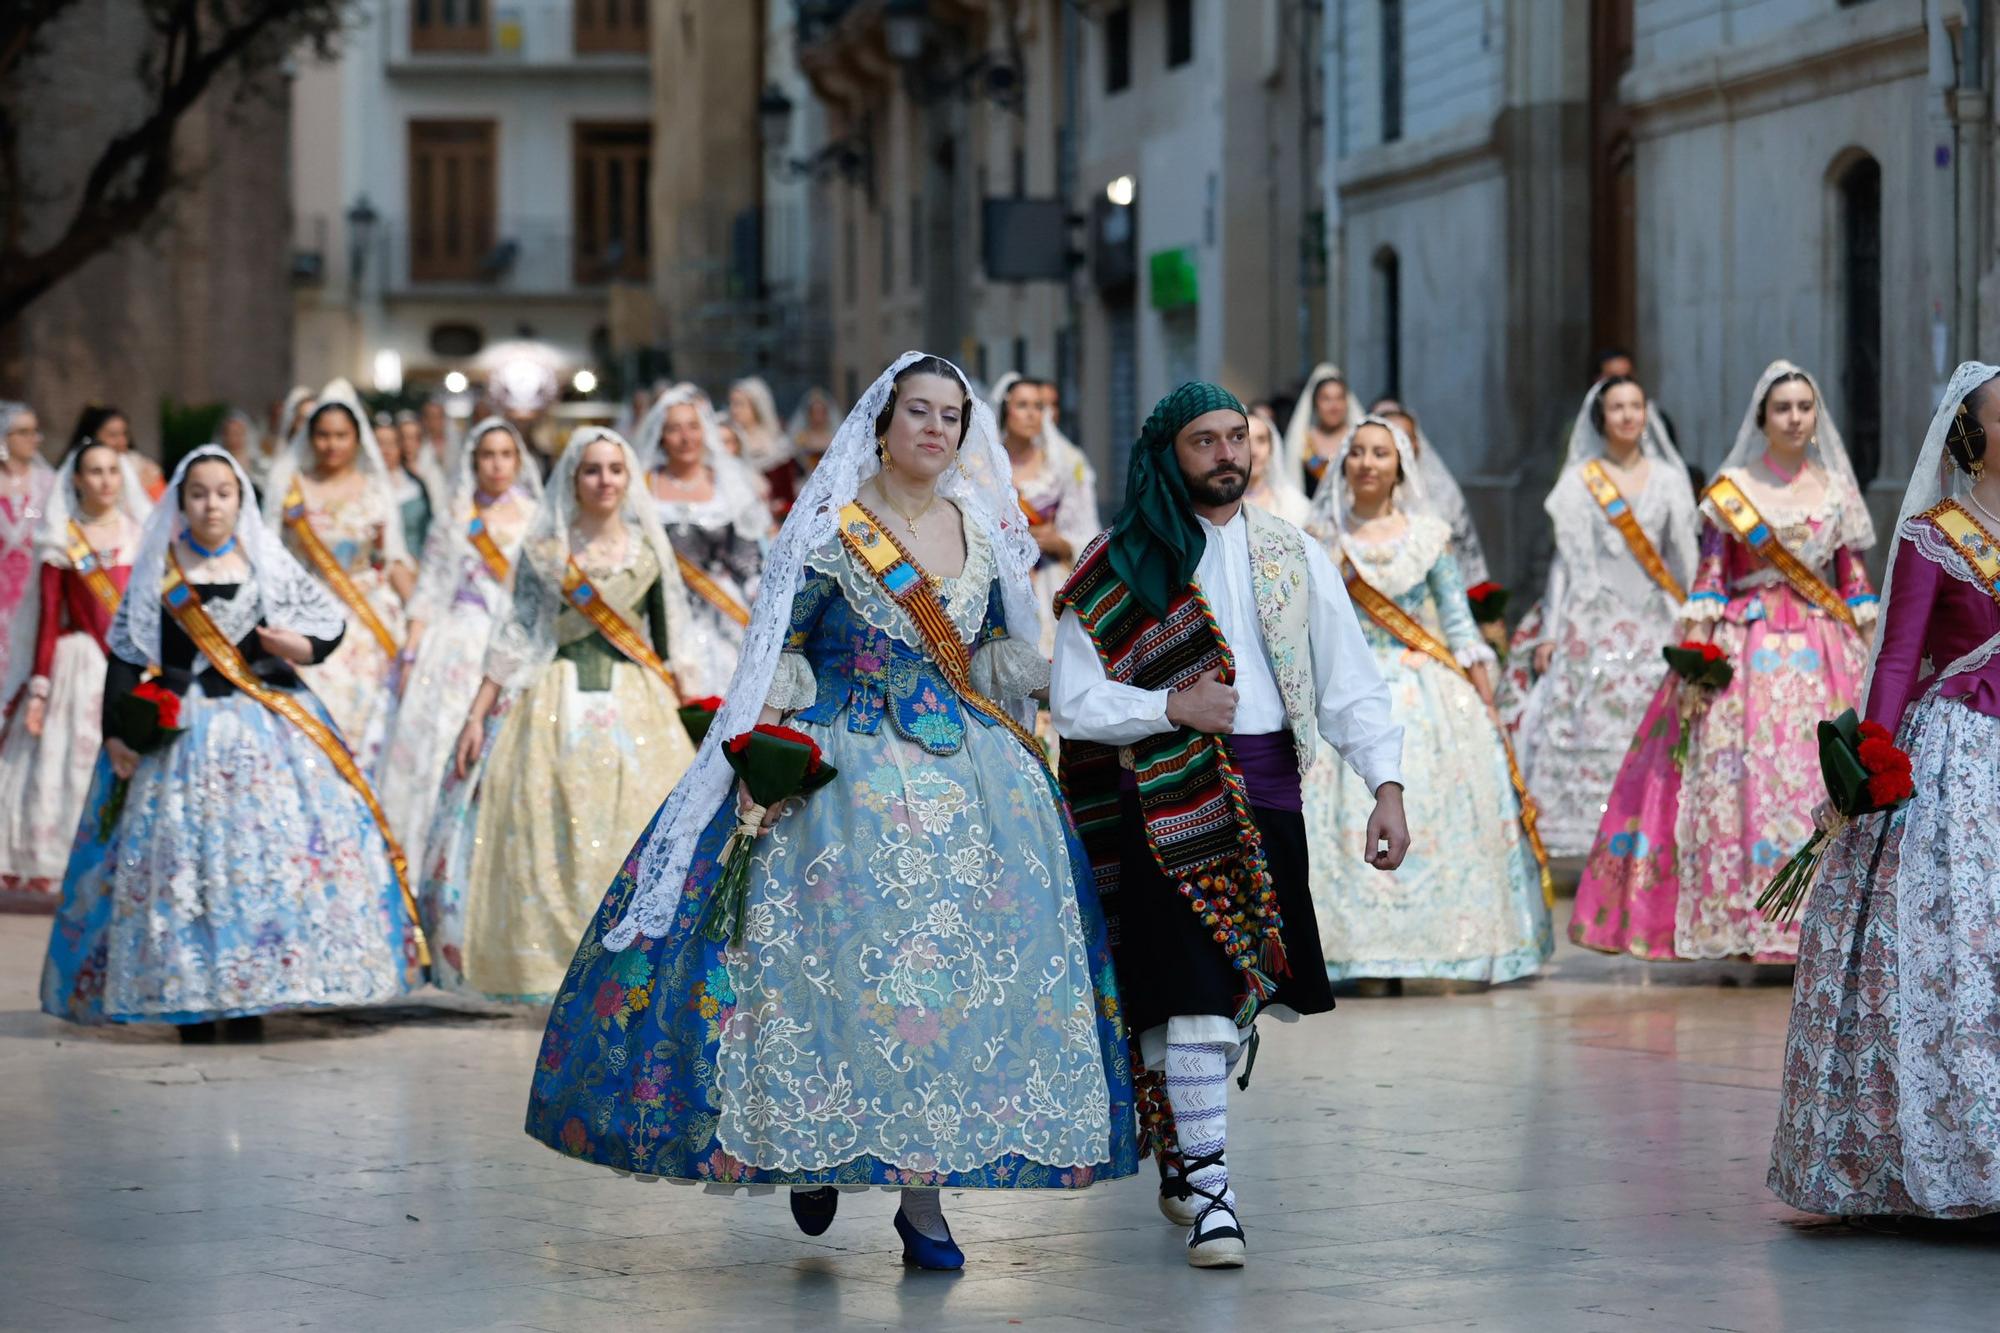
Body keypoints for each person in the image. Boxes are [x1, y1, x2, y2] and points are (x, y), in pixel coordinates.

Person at [523, 353, 1136, 1270]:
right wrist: (763, 756)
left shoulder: (984, 529)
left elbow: (1003, 649)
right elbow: (783, 644)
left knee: (949, 992)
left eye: (951, 417)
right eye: (918, 412)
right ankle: (816, 1144)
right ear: (882, 424)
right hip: (844, 771)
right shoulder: (831, 529)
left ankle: (923, 1203)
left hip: (970, 778)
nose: (935, 429)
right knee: (836, 975)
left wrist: (1075, 684)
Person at [1050, 381, 1407, 1267]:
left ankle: (1182, 1139)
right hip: (1166, 790)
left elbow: (1350, 680)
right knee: (1195, 992)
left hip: (1268, 787)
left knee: (1236, 993)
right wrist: (1171, 705)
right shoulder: (1118, 565)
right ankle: (1212, 1190)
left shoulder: (1295, 554)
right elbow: (1073, 702)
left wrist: (1386, 785)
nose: (1226, 454)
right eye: (1204, 440)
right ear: (1169, 454)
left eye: (1237, 437)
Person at [40, 446, 422, 1040]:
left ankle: (252, 997)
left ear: (241, 499)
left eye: (223, 493)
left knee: (259, 866)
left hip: (262, 731)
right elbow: (125, 655)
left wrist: (298, 647)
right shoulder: (159, 565)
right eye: (198, 493)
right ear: (180, 499)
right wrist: (118, 731)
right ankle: (189, 996)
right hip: (180, 738)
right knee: (182, 869)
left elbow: (328, 628)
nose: (211, 504)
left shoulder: (266, 562)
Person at [1769, 362, 2000, 1219]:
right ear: (1973, 435)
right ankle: (1947, 1152)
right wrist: (1864, 763)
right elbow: (1900, 656)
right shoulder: (1935, 534)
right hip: (1959, 765)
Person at [1573, 361, 1877, 962]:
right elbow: (1710, 579)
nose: (1794, 417)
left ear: (1817, 416)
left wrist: (1873, 645)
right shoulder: (1731, 491)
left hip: (1824, 652)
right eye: (1783, 408)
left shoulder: (1837, 490)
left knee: (1818, 778)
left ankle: (1817, 926)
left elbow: (1854, 582)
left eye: (1804, 407)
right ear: (1762, 417)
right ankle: (1744, 925)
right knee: (1740, 784)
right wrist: (1696, 654)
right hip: (1749, 651)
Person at [423, 428, 699, 1002]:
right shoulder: (546, 551)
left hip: (637, 702)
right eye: (592, 470)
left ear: (629, 479)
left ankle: (628, 961)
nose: (605, 481)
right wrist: (476, 716)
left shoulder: (648, 554)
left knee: (636, 824)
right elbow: (516, 634)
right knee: (546, 826)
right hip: (551, 699)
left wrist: (697, 715)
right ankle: (554, 963)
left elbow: (673, 644)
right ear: (572, 479)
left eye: (615, 470)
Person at [1299, 415, 1552, 987]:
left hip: (1427, 692)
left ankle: (1444, 950)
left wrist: (1486, 705)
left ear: (1400, 465)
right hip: (1349, 688)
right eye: (1357, 452)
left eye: (1380, 453)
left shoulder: (1429, 536)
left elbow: (1460, 627)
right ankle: (1355, 955)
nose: (1367, 462)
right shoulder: (1320, 541)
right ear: (1343, 464)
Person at [1510, 378, 1699, 857]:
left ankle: (1654, 831)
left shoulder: (1670, 481)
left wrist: (1698, 617)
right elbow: (1564, 565)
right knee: (1586, 720)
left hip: (1657, 621)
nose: (1628, 415)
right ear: (1601, 417)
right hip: (1591, 624)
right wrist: (1550, 633)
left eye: (1636, 405)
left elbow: (1684, 558)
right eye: (1617, 407)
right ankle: (1591, 840)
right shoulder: (1579, 482)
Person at [375, 417, 543, 867]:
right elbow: (429, 585)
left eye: (506, 454)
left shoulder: (535, 515)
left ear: (518, 460)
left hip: (512, 642)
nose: (497, 464)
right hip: (457, 642)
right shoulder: (456, 513)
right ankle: (433, 856)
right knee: (439, 749)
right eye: (488, 455)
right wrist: (411, 649)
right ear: (474, 461)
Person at [0, 440, 150, 906]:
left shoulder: (140, 535)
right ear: (77, 480)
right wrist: (40, 689)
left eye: (112, 470)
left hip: (131, 669)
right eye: (95, 471)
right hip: (80, 666)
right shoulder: (63, 540)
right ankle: (58, 863)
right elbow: (49, 618)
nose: (105, 480)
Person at [263, 380, 417, 769]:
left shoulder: (375, 489)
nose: (332, 445)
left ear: (357, 438)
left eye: (341, 436)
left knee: (369, 720)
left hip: (368, 616)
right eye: (324, 435)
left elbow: (395, 557)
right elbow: (269, 555)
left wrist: (418, 619)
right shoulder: (291, 488)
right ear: (310, 438)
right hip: (307, 612)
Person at [633, 386, 770, 696]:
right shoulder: (642, 486)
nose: (685, 438)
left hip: (723, 612)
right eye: (674, 429)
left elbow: (748, 555)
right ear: (660, 436)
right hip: (661, 609)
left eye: (693, 427)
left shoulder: (728, 484)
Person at [991, 371, 1100, 655]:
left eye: (1039, 407)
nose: (1031, 415)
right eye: (1022, 405)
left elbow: (1087, 533)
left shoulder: (1064, 464)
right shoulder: (985, 466)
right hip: (1002, 586)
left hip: (1051, 583)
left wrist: (1058, 542)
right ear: (1006, 410)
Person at [1370, 399, 1491, 587]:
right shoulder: (1361, 496)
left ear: (1417, 443)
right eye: (1390, 439)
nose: (1399, 446)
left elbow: (1466, 555)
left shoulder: (1443, 494)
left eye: (1405, 437)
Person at [1, 403, 57, 698]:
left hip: (33, 591)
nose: (33, 439)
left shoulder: (47, 483)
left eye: (35, 431)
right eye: (23, 432)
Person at [1281, 363, 1360, 498]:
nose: (1334, 406)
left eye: (1339, 398)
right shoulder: (1302, 441)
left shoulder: (1358, 439)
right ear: (1315, 403)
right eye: (1326, 399)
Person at [728, 375, 797, 520]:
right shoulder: (727, 440)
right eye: (732, 404)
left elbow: (787, 493)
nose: (734, 410)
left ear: (756, 406)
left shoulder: (776, 445)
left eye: (739, 404)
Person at [70, 405, 164, 501]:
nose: (122, 441)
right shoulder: (76, 467)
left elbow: (160, 504)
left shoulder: (145, 468)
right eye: (113, 435)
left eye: (124, 434)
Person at [381, 412, 438, 560]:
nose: (385, 451)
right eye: (380, 444)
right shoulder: (365, 487)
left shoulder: (415, 484)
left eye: (391, 444)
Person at [1243, 403, 1310, 524]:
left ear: (1272, 448)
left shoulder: (1293, 504)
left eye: (1261, 440)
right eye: (1244, 441)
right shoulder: (1219, 505)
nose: (1253, 451)